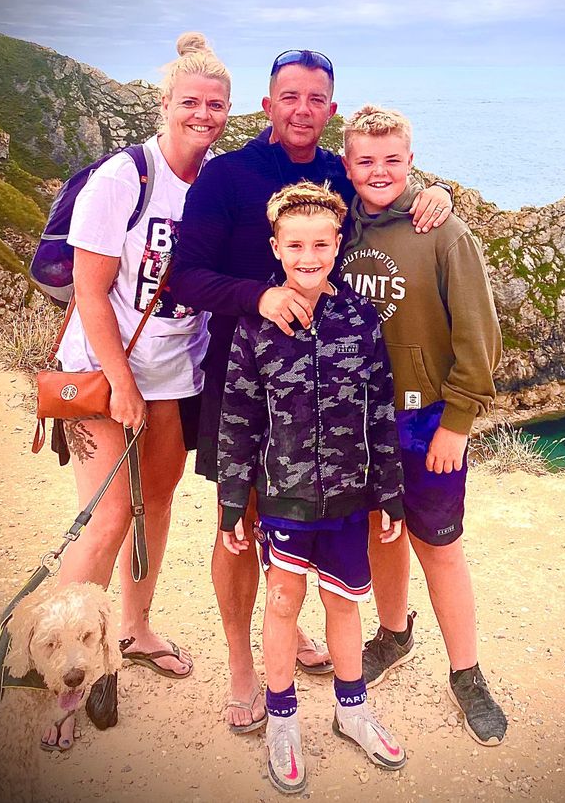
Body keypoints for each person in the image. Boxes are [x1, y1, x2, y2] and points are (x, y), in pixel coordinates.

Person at [171, 49, 454, 731]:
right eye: (289, 96)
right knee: (238, 519)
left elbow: (386, 190)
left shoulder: (335, 173)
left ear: (331, 109)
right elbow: (184, 277)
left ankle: (294, 632)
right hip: (240, 375)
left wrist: (438, 196)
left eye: (316, 98)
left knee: (300, 519)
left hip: (330, 387)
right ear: (267, 105)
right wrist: (260, 297)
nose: (302, 109)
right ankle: (243, 665)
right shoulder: (225, 176)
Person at [43, 32, 231, 751]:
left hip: (174, 378)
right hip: (103, 375)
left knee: (155, 507)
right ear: (166, 104)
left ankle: (133, 630)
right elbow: (89, 292)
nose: (203, 115)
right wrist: (123, 385)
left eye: (215, 105)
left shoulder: (214, 184)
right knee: (108, 519)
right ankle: (69, 676)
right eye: (191, 102)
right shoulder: (125, 177)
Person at [219, 182, 407, 793]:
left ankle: (352, 711)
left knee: (344, 604)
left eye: (320, 245)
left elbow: (381, 409)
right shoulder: (255, 325)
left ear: (337, 246)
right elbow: (239, 418)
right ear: (276, 248)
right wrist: (232, 502)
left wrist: (390, 492)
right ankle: (281, 721)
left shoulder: (361, 318)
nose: (307, 257)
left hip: (351, 497)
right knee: (281, 601)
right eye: (295, 246)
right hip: (284, 498)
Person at [339, 104, 509, 746]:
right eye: (366, 160)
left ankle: (467, 674)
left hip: (426, 419)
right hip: (359, 416)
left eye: (392, 159)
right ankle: (394, 633)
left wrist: (457, 422)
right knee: (382, 532)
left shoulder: (444, 233)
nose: (379, 171)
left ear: (411, 160)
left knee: (439, 547)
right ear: (347, 164)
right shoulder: (338, 226)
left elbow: (479, 335)